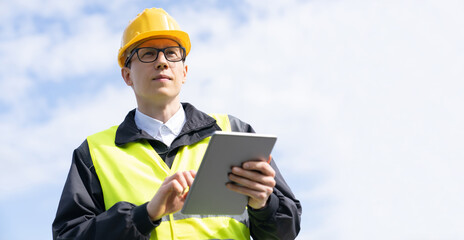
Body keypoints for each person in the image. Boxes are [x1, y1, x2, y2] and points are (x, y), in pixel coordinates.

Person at [52, 8, 302, 240]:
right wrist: (145, 215)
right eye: (147, 53)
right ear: (127, 75)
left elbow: (285, 231)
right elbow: (70, 235)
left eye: (171, 53)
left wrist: (264, 204)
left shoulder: (233, 132)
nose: (162, 61)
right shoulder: (94, 154)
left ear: (184, 72)